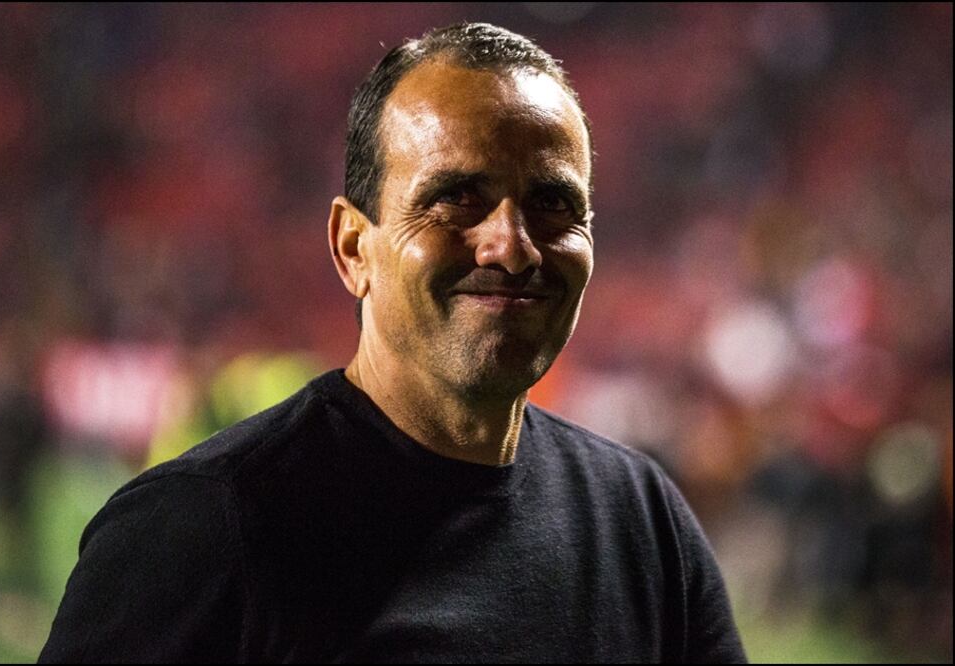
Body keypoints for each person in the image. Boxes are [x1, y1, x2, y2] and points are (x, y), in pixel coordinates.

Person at [40, 22, 748, 663]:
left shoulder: (640, 520)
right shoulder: (196, 532)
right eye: (456, 199)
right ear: (354, 248)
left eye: (552, 204)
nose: (512, 245)